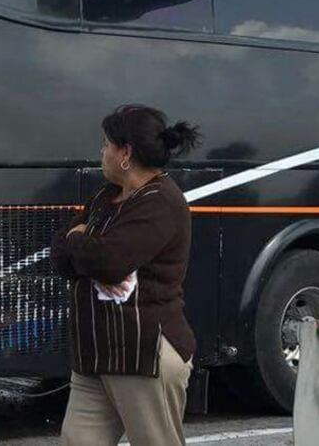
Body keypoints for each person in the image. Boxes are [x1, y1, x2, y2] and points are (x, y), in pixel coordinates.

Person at [52, 104, 201, 446]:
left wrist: (78, 238)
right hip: (95, 355)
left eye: (106, 144)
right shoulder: (107, 197)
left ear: (126, 153)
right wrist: (79, 246)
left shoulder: (161, 201)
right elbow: (60, 256)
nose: (102, 152)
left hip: (142, 354)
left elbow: (109, 261)